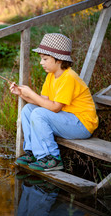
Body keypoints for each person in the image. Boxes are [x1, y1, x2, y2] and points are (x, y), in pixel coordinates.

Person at [10, 33, 99, 171]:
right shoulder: (51, 76)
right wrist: (22, 94)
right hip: (66, 119)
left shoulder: (69, 77)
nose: (41, 62)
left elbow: (55, 108)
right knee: (28, 110)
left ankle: (51, 158)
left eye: (45, 59)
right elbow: (43, 102)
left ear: (58, 60)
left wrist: (31, 93)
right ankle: (34, 153)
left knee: (39, 114)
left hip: (82, 124)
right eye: (41, 59)